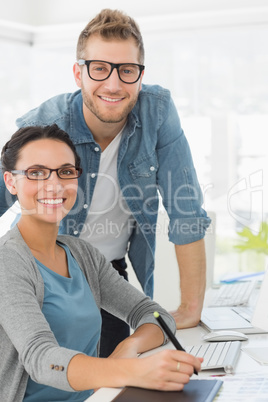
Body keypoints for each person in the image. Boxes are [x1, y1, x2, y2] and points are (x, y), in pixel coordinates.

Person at [0, 9, 211, 357]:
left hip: (109, 276)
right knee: (41, 376)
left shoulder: (156, 113)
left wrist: (190, 307)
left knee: (113, 381)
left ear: (140, 76)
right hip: (44, 275)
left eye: (127, 71)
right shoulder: (47, 123)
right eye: (99, 68)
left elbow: (185, 209)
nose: (113, 85)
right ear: (78, 73)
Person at [0, 124, 202, 401]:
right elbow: (41, 358)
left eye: (65, 172)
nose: (54, 185)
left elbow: (154, 315)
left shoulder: (82, 254)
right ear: (11, 182)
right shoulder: (7, 261)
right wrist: (131, 371)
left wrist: (129, 347)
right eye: (36, 173)